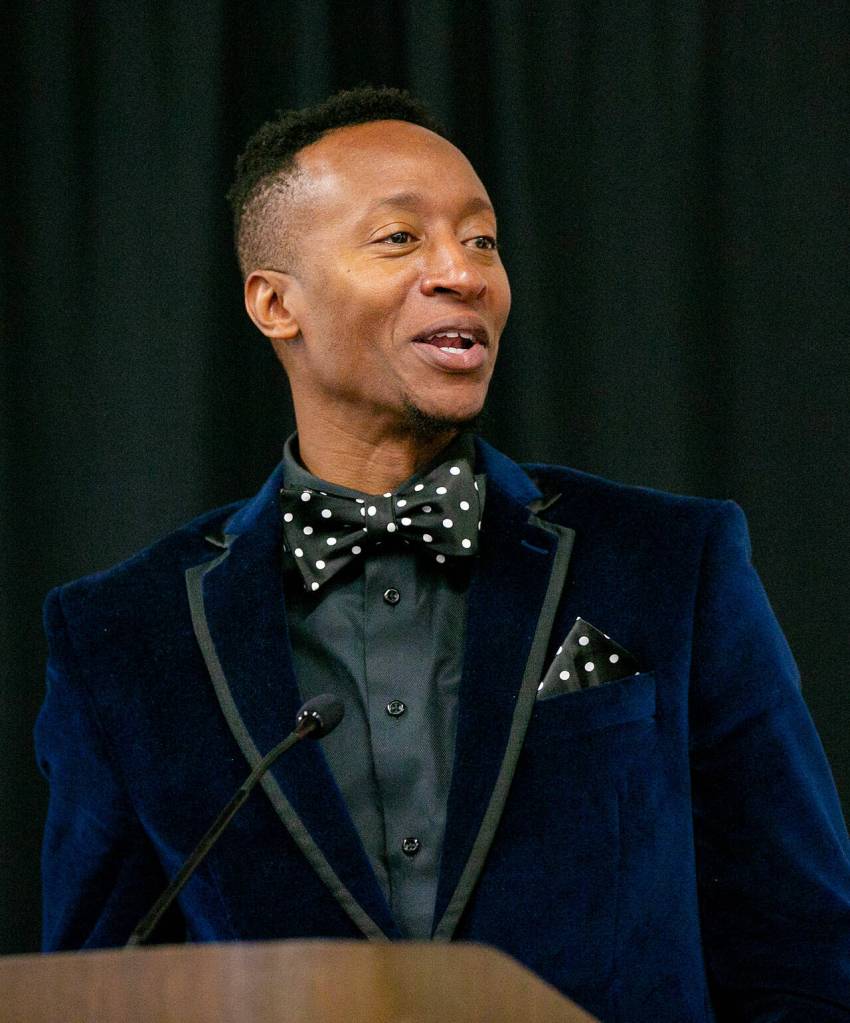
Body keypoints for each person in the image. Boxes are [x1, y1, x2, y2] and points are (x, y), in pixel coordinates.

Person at [36, 86, 850, 1021]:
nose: (462, 272)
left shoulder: (671, 562)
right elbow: (92, 991)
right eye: (400, 238)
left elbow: (804, 955)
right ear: (275, 302)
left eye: (482, 240)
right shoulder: (122, 636)